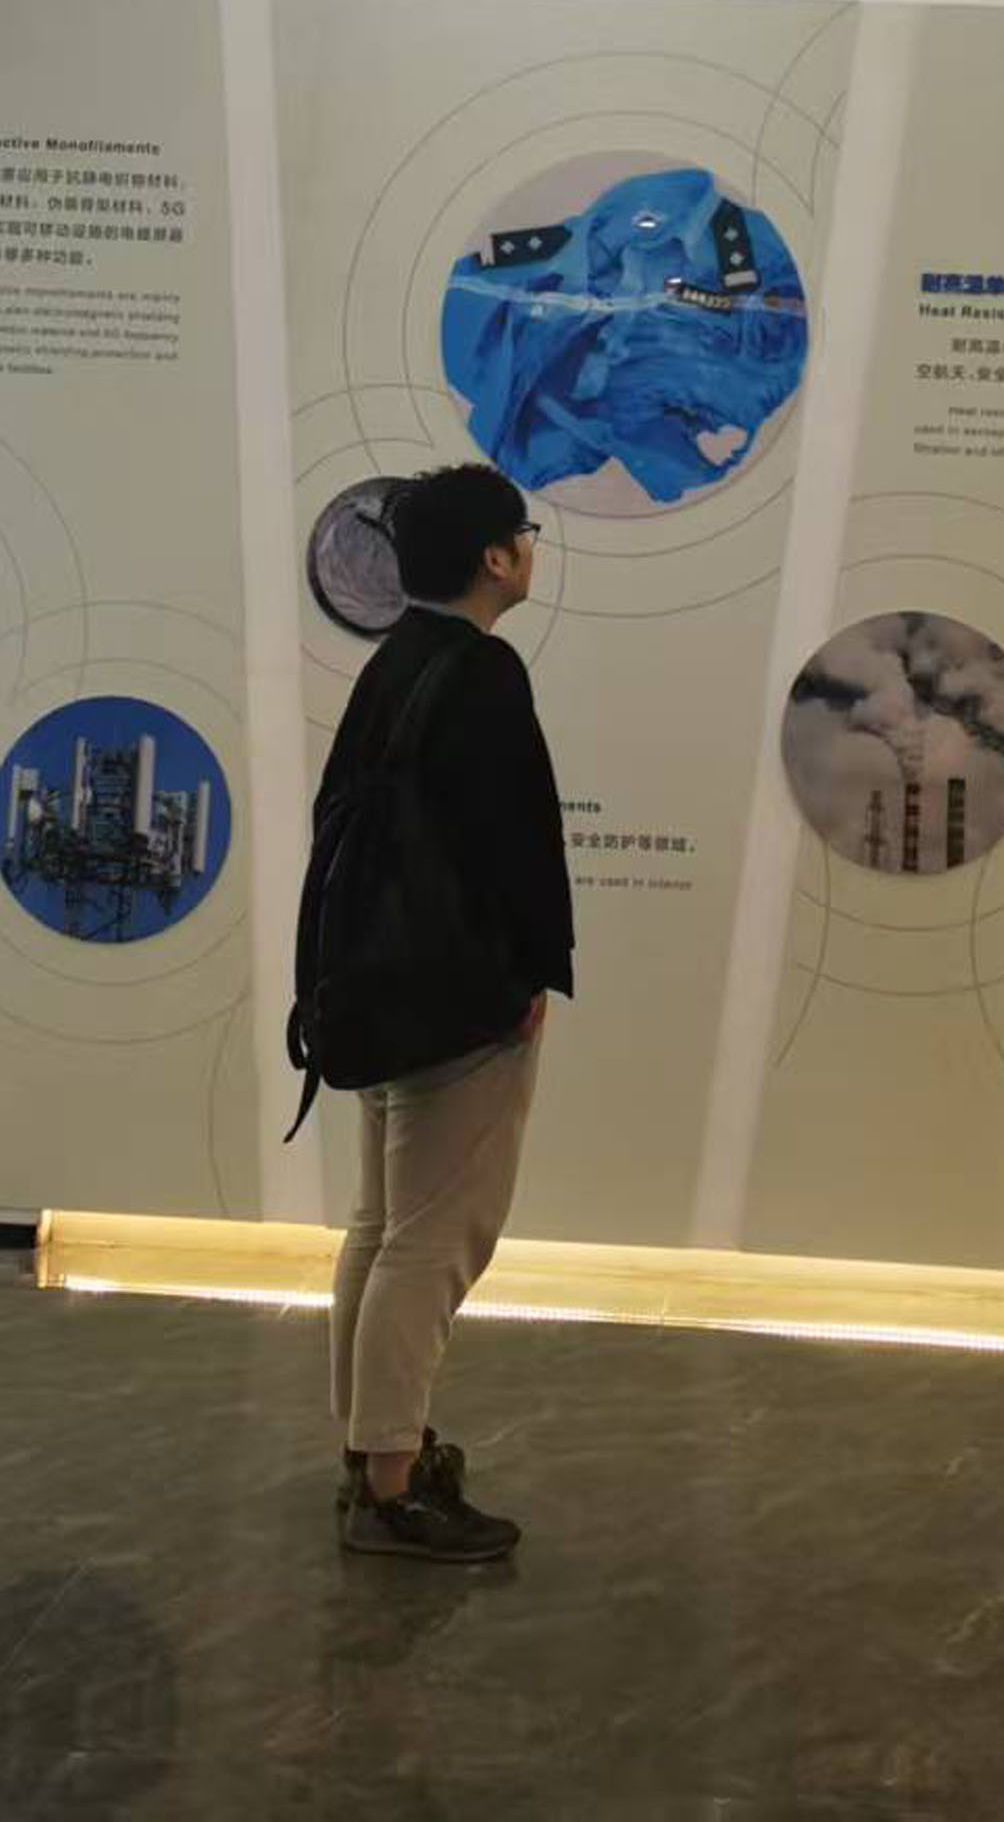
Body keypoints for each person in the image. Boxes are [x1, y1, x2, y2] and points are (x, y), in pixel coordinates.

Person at [298, 463, 571, 1565]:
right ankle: (393, 1484)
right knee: (433, 1241)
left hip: (379, 989)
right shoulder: (483, 672)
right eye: (523, 533)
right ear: (495, 558)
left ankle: (370, 1452)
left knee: (381, 1228)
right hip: (459, 1004)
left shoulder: (395, 659)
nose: (530, 548)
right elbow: (515, 846)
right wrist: (529, 978)